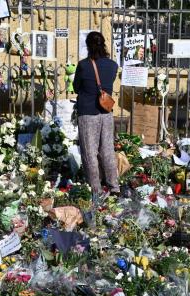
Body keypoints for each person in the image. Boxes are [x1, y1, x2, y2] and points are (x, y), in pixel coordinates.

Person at [72, 31, 120, 196]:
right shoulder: (113, 65)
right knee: (107, 149)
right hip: (106, 112)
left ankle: (96, 190)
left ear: (87, 45)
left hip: (87, 113)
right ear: (104, 44)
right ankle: (114, 187)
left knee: (90, 151)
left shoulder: (84, 65)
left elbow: (76, 87)